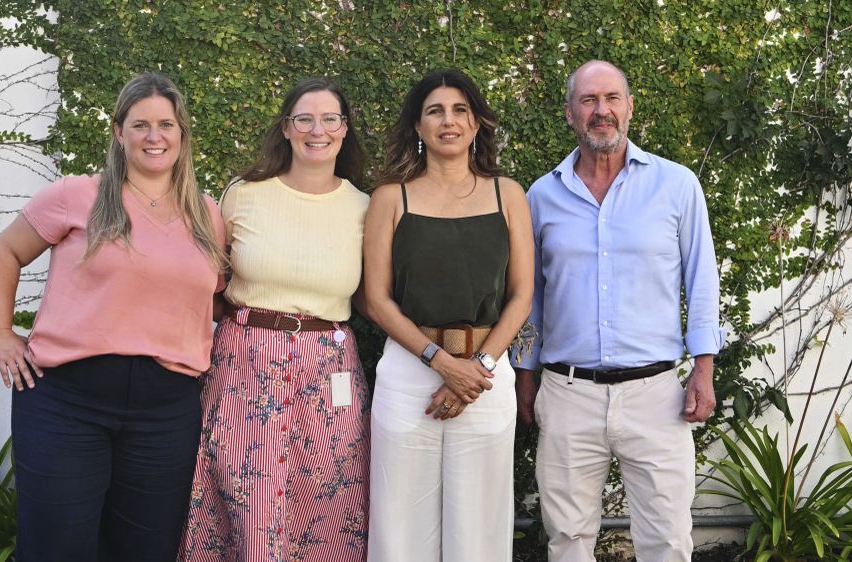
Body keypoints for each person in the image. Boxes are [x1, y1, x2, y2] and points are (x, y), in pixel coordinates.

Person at [0, 72, 226, 562]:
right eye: (140, 125)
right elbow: (6, 251)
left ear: (182, 133)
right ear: (119, 132)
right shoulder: (76, 196)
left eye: (166, 124)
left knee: (145, 550)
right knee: (58, 546)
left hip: (165, 411)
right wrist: (1, 331)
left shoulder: (207, 215)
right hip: (68, 403)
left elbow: (212, 299)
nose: (154, 137)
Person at [514, 60, 725, 562]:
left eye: (611, 99)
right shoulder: (541, 196)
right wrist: (525, 373)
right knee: (566, 540)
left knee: (669, 540)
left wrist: (704, 367)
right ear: (570, 113)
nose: (601, 111)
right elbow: (528, 297)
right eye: (588, 101)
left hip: (655, 395)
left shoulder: (676, 186)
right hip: (567, 394)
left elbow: (702, 280)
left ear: (630, 107)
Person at [179, 77, 370, 562]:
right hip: (245, 360)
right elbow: (210, 284)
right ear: (286, 128)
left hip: (329, 369)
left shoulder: (365, 207)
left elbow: (376, 296)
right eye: (304, 118)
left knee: (329, 497)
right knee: (246, 496)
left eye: (330, 118)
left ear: (345, 130)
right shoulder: (244, 194)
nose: (317, 129)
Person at [363, 69, 534, 562]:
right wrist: (442, 362)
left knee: (480, 527)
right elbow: (377, 299)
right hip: (408, 374)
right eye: (435, 111)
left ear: (477, 122)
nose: (448, 121)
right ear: (417, 126)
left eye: (460, 110)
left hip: (486, 375)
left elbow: (522, 296)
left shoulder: (509, 194)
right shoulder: (391, 198)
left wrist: (475, 370)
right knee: (399, 525)